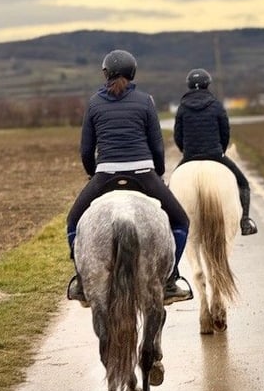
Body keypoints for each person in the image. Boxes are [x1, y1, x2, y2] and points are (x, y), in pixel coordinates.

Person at [66, 49, 193, 305]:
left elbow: (86, 149)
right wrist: (156, 172)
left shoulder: (93, 103)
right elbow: (157, 146)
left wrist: (93, 173)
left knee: (72, 223)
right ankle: (169, 280)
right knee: (181, 222)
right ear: (132, 72)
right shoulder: (146, 101)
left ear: (105, 73)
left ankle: (81, 280)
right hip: (143, 174)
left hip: (105, 175)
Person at [173, 68, 258, 235]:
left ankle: (171, 222)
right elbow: (225, 132)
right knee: (244, 184)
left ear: (189, 85)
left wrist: (187, 152)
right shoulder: (216, 105)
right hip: (215, 154)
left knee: (170, 187)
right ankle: (245, 221)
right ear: (207, 84)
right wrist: (220, 151)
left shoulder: (182, 107)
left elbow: (178, 135)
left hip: (189, 156)